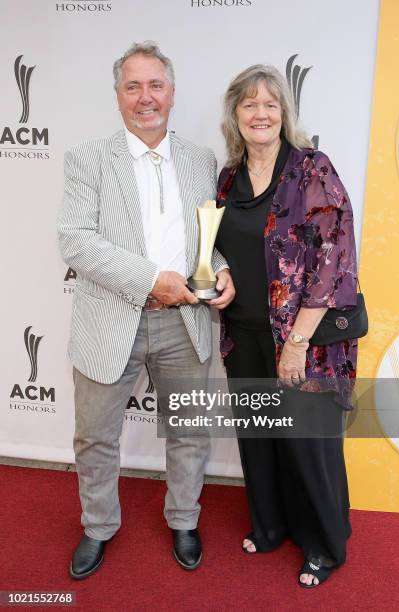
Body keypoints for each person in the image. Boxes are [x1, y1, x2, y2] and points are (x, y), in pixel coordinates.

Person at [57, 41, 235, 579]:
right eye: (132, 86)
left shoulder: (201, 159)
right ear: (117, 97)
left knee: (188, 429)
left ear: (173, 93)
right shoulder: (86, 158)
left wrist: (221, 268)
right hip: (110, 319)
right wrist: (151, 281)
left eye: (155, 85)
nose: (145, 97)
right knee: (95, 435)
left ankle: (184, 518)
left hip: (186, 322)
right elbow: (76, 242)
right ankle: (98, 527)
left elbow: (205, 238)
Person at [214, 64, 358, 587]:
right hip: (243, 333)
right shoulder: (228, 177)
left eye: (270, 104)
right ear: (235, 114)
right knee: (259, 437)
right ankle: (271, 526)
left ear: (284, 113)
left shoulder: (311, 169)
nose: (260, 113)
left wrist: (296, 342)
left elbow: (333, 258)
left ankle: (324, 544)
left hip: (305, 338)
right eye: (250, 104)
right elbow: (218, 245)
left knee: (307, 440)